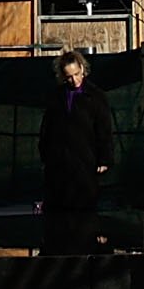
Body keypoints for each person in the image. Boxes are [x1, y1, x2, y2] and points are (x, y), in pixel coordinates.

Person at [38, 48, 114, 248]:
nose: (74, 80)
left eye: (76, 74)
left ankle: (84, 251)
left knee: (84, 209)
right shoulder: (56, 98)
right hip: (59, 163)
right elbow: (46, 129)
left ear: (83, 69)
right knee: (57, 212)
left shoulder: (96, 97)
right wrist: (46, 156)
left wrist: (104, 159)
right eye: (69, 77)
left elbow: (104, 129)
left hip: (84, 162)